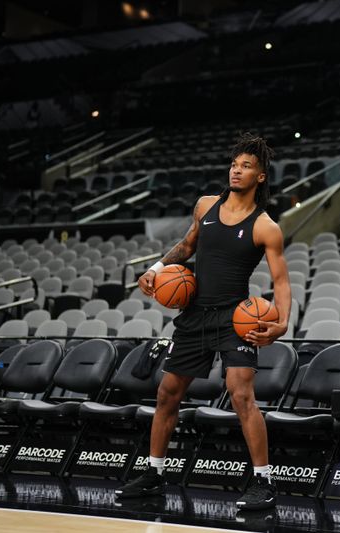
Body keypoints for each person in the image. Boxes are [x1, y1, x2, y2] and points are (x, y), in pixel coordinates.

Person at [115, 133, 290, 511]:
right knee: (167, 393)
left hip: (236, 319)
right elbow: (188, 245)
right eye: (234, 164)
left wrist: (282, 324)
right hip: (195, 315)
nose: (237, 171)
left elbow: (281, 282)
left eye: (246, 166)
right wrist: (157, 268)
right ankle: (154, 474)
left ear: (260, 176)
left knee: (241, 395)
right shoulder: (206, 206)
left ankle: (264, 481)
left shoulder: (265, 226)